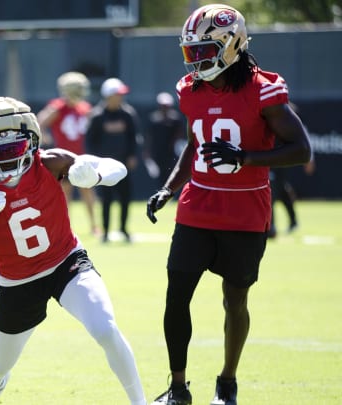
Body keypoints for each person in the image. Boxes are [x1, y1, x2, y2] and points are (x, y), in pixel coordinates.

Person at [146, 5, 311, 405]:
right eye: (191, 52)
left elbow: (300, 149)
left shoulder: (264, 89)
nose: (196, 60)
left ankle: (227, 382)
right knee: (176, 297)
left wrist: (246, 158)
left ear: (231, 44)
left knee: (235, 300)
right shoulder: (190, 90)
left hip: (244, 211)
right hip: (196, 206)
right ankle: (179, 388)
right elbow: (193, 146)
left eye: (203, 50)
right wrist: (169, 188)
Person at [0, 96, 147, 405]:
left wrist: (95, 174)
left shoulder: (50, 163)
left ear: (32, 142)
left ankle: (139, 403)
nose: (9, 160)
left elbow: (115, 168)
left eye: (16, 149)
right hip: (17, 281)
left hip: (67, 262)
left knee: (105, 329)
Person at [37, 71, 99, 236]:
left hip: (81, 156)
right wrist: (45, 134)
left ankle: (94, 226)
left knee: (88, 190)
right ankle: (66, 227)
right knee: (65, 195)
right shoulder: (58, 107)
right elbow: (40, 121)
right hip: (63, 159)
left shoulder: (84, 107)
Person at [85, 77, 139, 243]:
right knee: (106, 200)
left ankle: (123, 229)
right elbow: (90, 141)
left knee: (125, 198)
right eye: (117, 94)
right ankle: (106, 232)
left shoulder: (128, 114)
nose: (120, 97)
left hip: (123, 166)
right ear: (108, 95)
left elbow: (134, 137)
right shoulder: (97, 116)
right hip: (104, 168)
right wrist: (94, 163)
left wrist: (132, 155)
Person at [143, 92, 185, 187]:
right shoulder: (153, 119)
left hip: (172, 153)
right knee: (160, 175)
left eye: (166, 105)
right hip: (157, 152)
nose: (165, 108)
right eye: (163, 105)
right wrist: (147, 152)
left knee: (171, 173)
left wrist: (178, 149)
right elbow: (149, 136)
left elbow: (180, 135)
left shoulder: (176, 119)